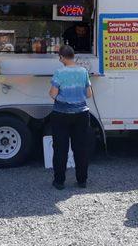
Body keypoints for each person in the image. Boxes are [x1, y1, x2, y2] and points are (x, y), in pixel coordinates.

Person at [48, 45, 92, 190]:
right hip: (82, 114)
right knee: (81, 148)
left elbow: (53, 94)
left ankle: (59, 181)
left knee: (61, 148)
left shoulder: (59, 72)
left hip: (61, 114)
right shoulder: (83, 71)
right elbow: (89, 94)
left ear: (61, 57)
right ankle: (82, 181)